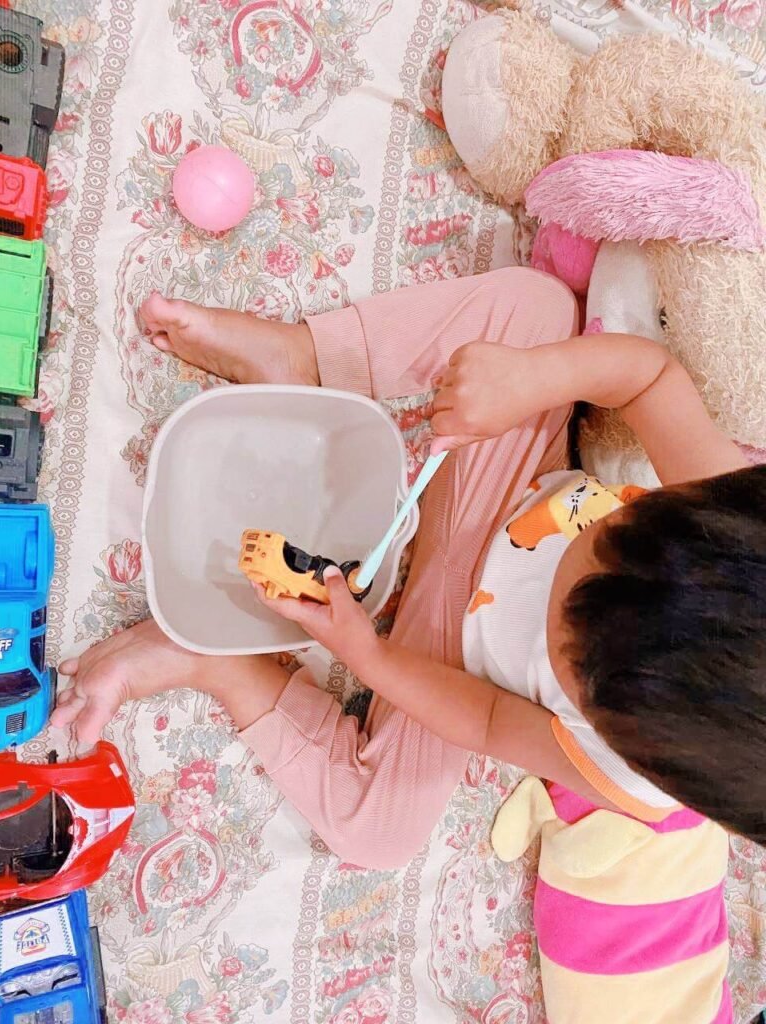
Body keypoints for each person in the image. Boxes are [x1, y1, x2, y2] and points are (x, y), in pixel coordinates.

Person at [51, 268, 765, 869]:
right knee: (538, 308)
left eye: (566, 654)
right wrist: (530, 379)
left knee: (381, 831)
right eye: (601, 539)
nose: (560, 602)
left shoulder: (635, 774)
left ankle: (219, 665)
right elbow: (648, 377)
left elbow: (486, 719)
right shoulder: (725, 512)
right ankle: (305, 359)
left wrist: (369, 655)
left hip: (451, 658)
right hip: (503, 482)